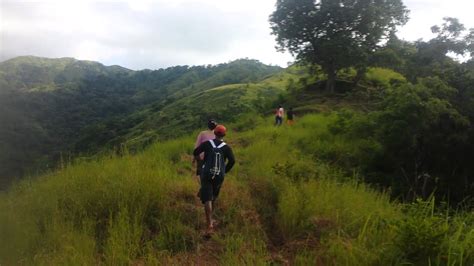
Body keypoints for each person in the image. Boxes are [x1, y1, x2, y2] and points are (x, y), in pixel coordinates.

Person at [193, 125, 235, 236]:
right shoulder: (226, 148)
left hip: (206, 174)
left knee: (207, 200)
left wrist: (201, 162)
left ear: (214, 133)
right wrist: (224, 171)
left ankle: (209, 225)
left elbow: (196, 152)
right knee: (213, 197)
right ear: (224, 135)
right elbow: (232, 161)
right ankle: (211, 219)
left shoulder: (207, 144)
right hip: (219, 175)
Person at [193, 120, 218, 184]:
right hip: (214, 158)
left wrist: (194, 157)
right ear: (216, 126)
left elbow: (197, 146)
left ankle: (203, 187)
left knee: (200, 173)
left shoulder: (203, 133)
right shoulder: (217, 134)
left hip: (202, 157)